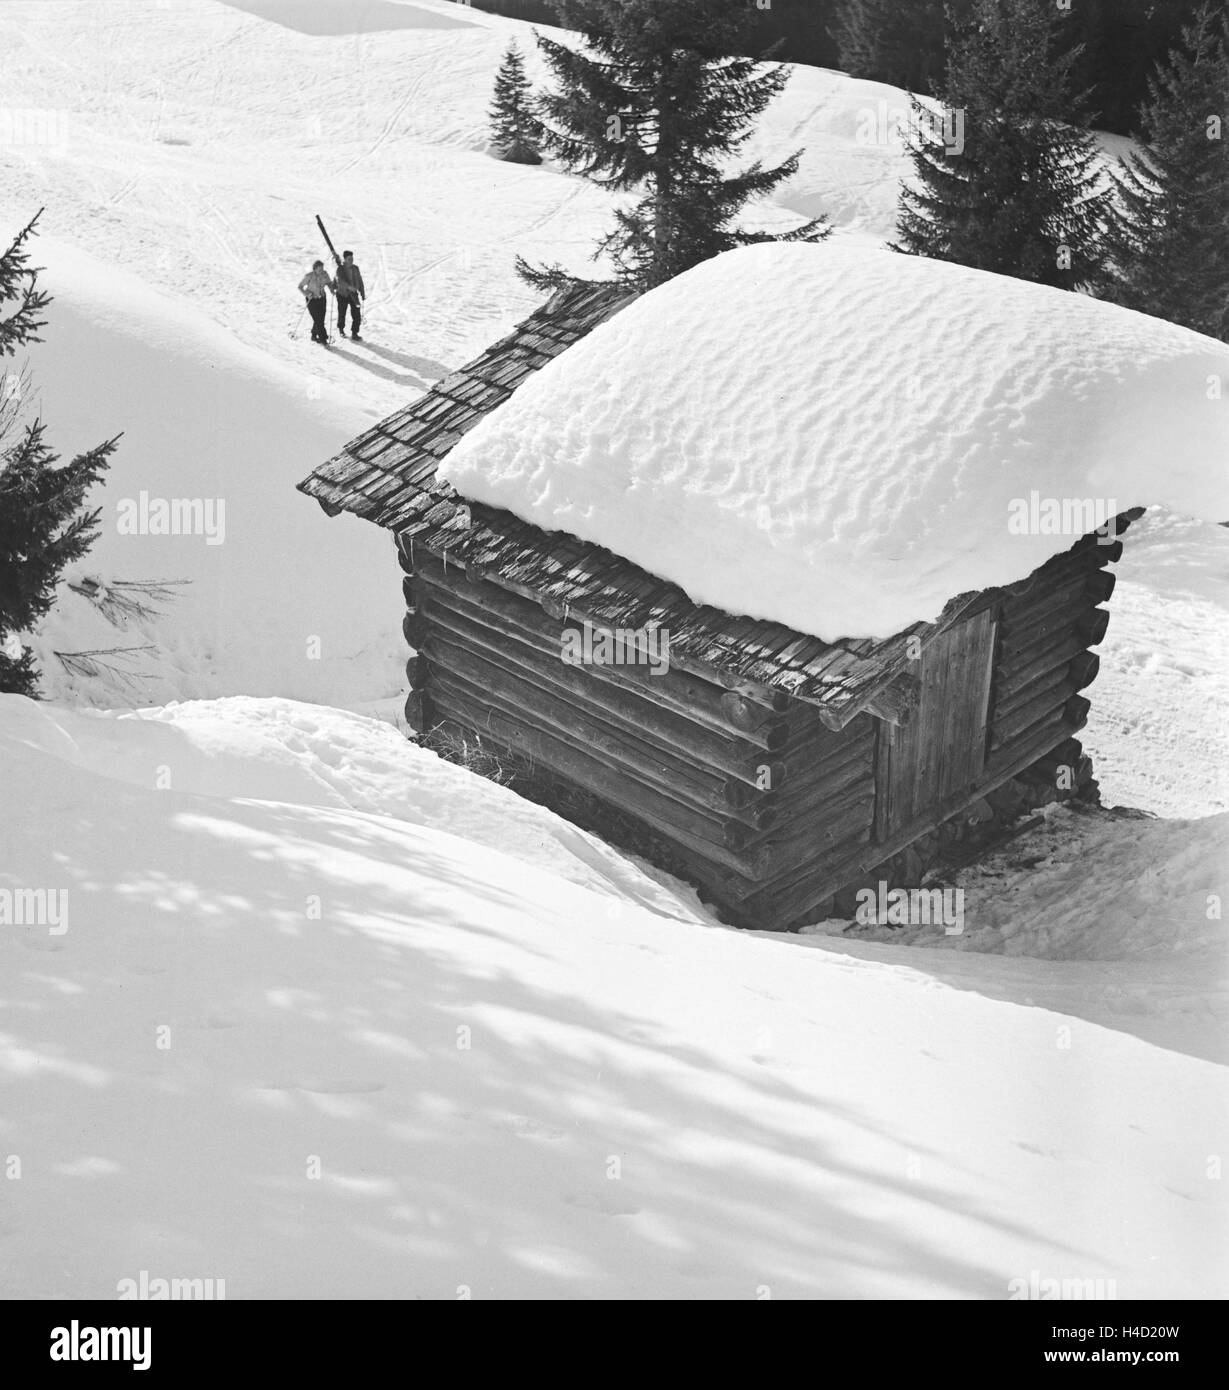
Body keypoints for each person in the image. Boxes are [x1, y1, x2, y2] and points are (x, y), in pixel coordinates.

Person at [298, 260, 334, 345]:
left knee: (320, 319)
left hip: (322, 299)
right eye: (319, 269)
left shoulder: (325, 274)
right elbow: (300, 286)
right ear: (314, 269)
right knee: (318, 320)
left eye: (322, 268)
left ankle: (314, 335)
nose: (321, 270)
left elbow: (329, 283)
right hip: (312, 300)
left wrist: (332, 289)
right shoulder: (309, 276)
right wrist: (307, 294)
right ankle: (323, 339)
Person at [335, 249, 366, 340]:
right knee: (342, 313)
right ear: (344, 259)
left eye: (352, 258)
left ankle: (354, 333)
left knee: (357, 314)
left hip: (354, 295)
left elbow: (360, 280)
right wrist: (349, 287)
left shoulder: (355, 268)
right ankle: (341, 329)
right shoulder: (340, 269)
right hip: (342, 294)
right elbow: (340, 280)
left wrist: (362, 292)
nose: (351, 260)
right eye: (349, 259)